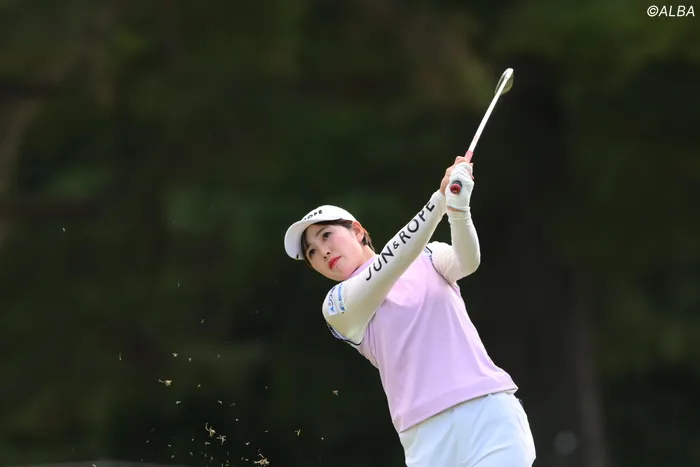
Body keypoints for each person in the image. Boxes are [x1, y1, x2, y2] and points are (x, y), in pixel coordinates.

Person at [283, 156, 536, 466]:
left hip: (487, 413)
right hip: (425, 440)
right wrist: (438, 201)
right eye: (311, 252)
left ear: (358, 231)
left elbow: (467, 262)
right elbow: (389, 263)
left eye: (326, 235)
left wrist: (459, 210)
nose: (322, 251)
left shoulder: (429, 255)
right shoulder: (338, 306)